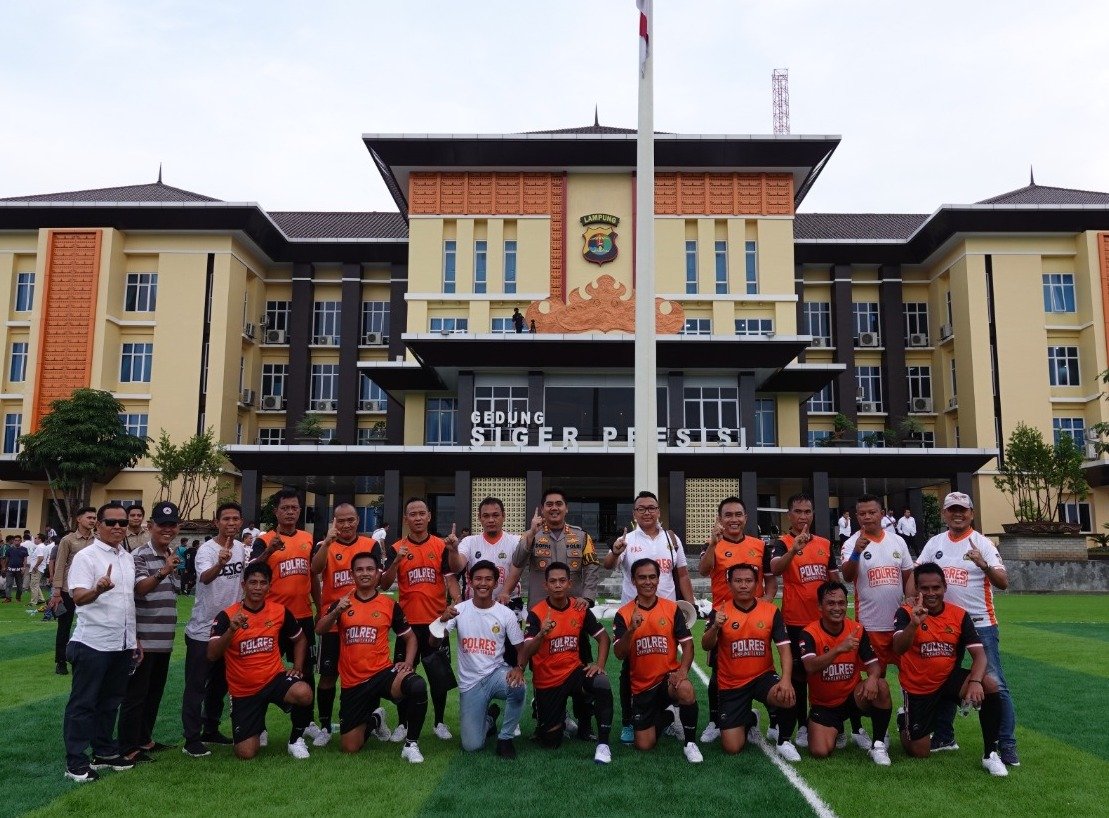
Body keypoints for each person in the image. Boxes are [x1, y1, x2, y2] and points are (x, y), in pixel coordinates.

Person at [916, 492, 1018, 765]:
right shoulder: (935, 543)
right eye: (952, 510)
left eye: (962, 510)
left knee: (995, 683)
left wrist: (982, 564)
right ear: (944, 514)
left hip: (980, 624)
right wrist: (910, 601)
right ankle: (945, 736)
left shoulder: (982, 543)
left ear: (971, 514)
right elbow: (917, 575)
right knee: (945, 678)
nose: (957, 514)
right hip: (945, 626)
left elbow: (1003, 582)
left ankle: (1006, 744)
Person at [892, 563, 1009, 776]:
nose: (930, 593)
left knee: (989, 684)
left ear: (945, 587)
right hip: (919, 686)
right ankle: (904, 719)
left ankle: (990, 754)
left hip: (948, 679)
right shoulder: (905, 612)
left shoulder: (958, 615)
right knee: (920, 752)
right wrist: (913, 624)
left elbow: (980, 655)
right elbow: (898, 648)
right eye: (924, 588)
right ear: (917, 589)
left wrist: (974, 682)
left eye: (935, 587)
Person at [314, 550, 427, 762]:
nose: (365, 573)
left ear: (377, 573)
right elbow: (320, 629)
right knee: (350, 747)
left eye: (369, 569)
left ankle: (411, 744)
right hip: (353, 683)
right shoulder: (342, 603)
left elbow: (411, 638)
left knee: (417, 686)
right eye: (359, 570)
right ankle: (376, 719)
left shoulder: (389, 605)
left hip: (381, 674)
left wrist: (409, 663)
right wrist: (336, 612)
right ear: (352, 574)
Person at [605, 490, 693, 744]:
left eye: (651, 508)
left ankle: (670, 714)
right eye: (641, 508)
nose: (647, 512)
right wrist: (613, 550)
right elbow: (609, 565)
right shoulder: (627, 540)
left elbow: (684, 575)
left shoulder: (672, 539)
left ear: (658, 511)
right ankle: (629, 722)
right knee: (630, 667)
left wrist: (691, 606)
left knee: (669, 663)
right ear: (634, 514)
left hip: (667, 612)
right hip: (635, 615)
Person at [767, 492, 854, 751]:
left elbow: (833, 578)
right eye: (798, 512)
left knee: (826, 673)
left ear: (813, 515)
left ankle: (829, 722)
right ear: (790, 515)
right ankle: (801, 726)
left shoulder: (825, 544)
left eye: (808, 512)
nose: (803, 517)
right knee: (798, 676)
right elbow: (776, 568)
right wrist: (794, 549)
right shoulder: (782, 543)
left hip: (823, 622)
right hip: (795, 620)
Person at [62, 502, 138, 782]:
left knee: (110, 702)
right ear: (98, 525)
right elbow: (78, 597)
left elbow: (128, 603)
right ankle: (75, 761)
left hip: (122, 643)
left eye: (122, 523)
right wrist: (98, 589)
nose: (118, 527)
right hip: (92, 642)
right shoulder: (87, 557)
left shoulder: (126, 558)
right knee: (84, 704)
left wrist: (134, 639)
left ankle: (104, 751)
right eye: (111, 522)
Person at [208, 561, 314, 759]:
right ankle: (257, 726)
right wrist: (231, 630)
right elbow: (212, 654)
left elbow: (300, 639)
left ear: (269, 586)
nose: (257, 587)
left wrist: (298, 667)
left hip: (273, 679)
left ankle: (296, 739)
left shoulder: (279, 611)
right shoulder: (227, 616)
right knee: (246, 753)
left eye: (263, 583)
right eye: (253, 582)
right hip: (244, 690)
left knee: (304, 692)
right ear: (243, 585)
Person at [379, 496, 462, 742]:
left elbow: (450, 578)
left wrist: (457, 601)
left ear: (429, 516)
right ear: (405, 519)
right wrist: (395, 561)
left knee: (438, 677)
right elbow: (384, 584)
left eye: (421, 513)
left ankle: (439, 722)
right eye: (412, 514)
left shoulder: (439, 546)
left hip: (436, 623)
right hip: (407, 625)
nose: (417, 518)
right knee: (403, 675)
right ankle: (402, 724)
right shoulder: (397, 548)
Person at [517, 561, 614, 764]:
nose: (558, 585)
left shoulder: (579, 608)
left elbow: (604, 638)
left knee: (601, 682)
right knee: (551, 741)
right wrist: (542, 634)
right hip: (548, 680)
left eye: (562, 581)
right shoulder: (536, 613)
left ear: (569, 584)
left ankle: (601, 742)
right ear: (546, 586)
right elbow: (527, 651)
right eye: (553, 581)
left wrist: (600, 664)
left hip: (573, 671)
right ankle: (556, 720)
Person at [701, 562, 798, 761]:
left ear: (756, 584)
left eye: (748, 581)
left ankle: (784, 741)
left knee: (786, 694)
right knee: (732, 747)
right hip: (731, 683)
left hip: (763, 677)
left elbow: (784, 648)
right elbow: (705, 645)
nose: (743, 585)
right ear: (729, 584)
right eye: (738, 581)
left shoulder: (770, 611)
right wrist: (715, 628)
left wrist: (786, 679)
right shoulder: (720, 611)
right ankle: (750, 718)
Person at [698, 496, 776, 741]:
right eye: (728, 515)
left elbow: (771, 582)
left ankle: (770, 720)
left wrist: (764, 605)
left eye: (738, 514)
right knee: (719, 669)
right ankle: (714, 720)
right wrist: (712, 543)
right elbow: (702, 569)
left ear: (746, 518)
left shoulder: (760, 546)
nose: (734, 519)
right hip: (723, 615)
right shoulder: (714, 544)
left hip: (755, 616)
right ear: (720, 519)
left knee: (760, 665)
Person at [250, 489, 324, 743]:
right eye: (285, 508)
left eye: (294, 508)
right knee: (263, 672)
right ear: (276, 511)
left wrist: (320, 605)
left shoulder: (307, 538)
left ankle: (306, 722)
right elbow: (253, 570)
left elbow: (312, 574)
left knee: (304, 672)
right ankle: (258, 725)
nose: (290, 512)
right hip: (273, 618)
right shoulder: (264, 539)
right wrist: (269, 551)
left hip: (302, 616)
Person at [433, 560, 526, 756]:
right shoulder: (459, 610)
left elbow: (521, 647)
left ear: (495, 582)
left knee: (518, 686)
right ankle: (489, 719)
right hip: (470, 684)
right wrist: (442, 620)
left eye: (488, 579)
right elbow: (432, 643)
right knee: (472, 746)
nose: (483, 583)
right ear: (471, 581)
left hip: (496, 674)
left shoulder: (505, 613)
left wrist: (519, 668)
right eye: (478, 579)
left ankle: (506, 738)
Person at [613, 558, 700, 763]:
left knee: (686, 689)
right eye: (642, 578)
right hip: (641, 687)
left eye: (652, 577)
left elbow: (687, 644)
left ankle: (690, 743)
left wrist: (683, 671)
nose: (648, 582)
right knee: (644, 745)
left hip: (667, 680)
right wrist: (632, 630)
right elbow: (619, 653)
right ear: (633, 581)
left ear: (659, 579)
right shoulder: (624, 613)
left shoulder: (671, 609)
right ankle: (669, 716)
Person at [800, 580, 892, 765]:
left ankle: (878, 745)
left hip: (852, 697)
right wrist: (838, 649)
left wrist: (873, 677)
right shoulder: (809, 633)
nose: (837, 608)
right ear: (820, 606)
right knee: (820, 751)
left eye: (841, 603)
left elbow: (874, 665)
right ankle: (837, 729)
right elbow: (810, 666)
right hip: (824, 703)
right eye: (831, 603)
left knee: (881, 686)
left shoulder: (856, 629)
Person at [311, 502, 382, 738]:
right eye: (340, 521)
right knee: (329, 674)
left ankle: (368, 719)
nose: (346, 525)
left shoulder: (370, 544)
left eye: (350, 519)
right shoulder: (325, 545)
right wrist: (328, 542)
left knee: (366, 673)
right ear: (334, 522)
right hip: (333, 620)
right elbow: (315, 569)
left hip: (363, 619)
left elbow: (377, 579)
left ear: (358, 520)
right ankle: (324, 726)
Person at [118, 501, 182, 762]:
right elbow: (139, 590)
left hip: (164, 640)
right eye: (161, 525)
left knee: (154, 694)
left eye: (172, 525)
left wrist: (169, 568)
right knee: (135, 696)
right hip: (144, 640)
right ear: (150, 526)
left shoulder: (173, 554)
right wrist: (163, 571)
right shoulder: (139, 555)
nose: (167, 530)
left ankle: (145, 740)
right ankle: (128, 746)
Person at [181, 502, 246, 757]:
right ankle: (191, 739)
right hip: (202, 628)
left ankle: (211, 728)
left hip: (228, 627)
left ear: (241, 522)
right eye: (226, 519)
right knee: (196, 685)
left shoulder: (241, 548)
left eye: (235, 519)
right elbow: (205, 578)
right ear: (217, 522)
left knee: (220, 684)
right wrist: (220, 563)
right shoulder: (206, 550)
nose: (231, 523)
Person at [840, 493, 914, 707]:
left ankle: (907, 714)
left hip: (900, 624)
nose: (867, 517)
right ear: (856, 516)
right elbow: (847, 576)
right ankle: (879, 731)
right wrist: (856, 553)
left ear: (881, 514)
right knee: (876, 679)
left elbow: (908, 576)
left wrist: (909, 603)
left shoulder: (897, 540)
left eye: (872, 512)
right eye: (862, 513)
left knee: (909, 673)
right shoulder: (852, 543)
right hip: (871, 625)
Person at [52, 507, 98, 673]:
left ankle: (86, 659)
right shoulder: (68, 540)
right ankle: (61, 661)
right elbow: (59, 565)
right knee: (64, 626)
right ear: (79, 519)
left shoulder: (97, 540)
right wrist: (56, 591)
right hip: (67, 588)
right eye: (89, 517)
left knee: (90, 624)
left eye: (94, 518)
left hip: (90, 590)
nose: (92, 520)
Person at [5, 534, 28, 603]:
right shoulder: (9, 549)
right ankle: (8, 598)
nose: (17, 542)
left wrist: (24, 568)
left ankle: (18, 598)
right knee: (8, 584)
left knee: (19, 586)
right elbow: (7, 559)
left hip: (19, 570)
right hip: (10, 570)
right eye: (15, 540)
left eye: (18, 540)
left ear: (21, 541)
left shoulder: (24, 549)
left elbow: (25, 559)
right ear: (13, 541)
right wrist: (4, 567)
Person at [27, 534, 47, 606]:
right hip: (39, 568)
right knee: (36, 585)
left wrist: (35, 566)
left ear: (40, 539)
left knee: (33, 585)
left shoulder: (40, 547)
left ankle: (33, 602)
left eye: (36, 538)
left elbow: (41, 558)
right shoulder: (43, 547)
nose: (34, 539)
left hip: (37, 569)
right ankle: (41, 599)